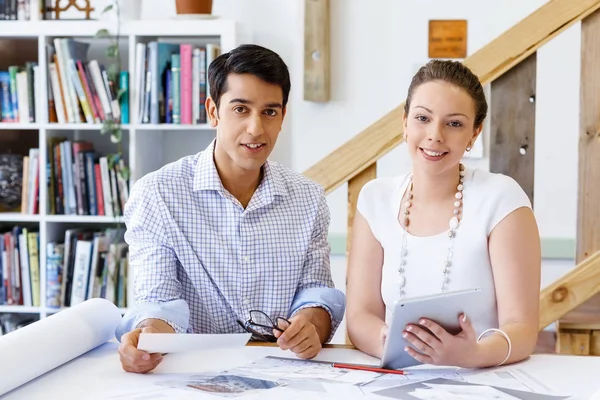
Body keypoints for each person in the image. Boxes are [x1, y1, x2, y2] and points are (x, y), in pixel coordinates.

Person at [116, 44, 345, 374]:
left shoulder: (308, 197)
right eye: (241, 109)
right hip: (192, 373)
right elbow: (158, 298)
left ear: (282, 117)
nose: (256, 129)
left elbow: (316, 289)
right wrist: (150, 337)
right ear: (213, 111)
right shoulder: (157, 195)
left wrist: (312, 322)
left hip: (283, 373)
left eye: (270, 112)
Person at [346, 59, 541, 369]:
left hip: (480, 381)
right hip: (397, 377)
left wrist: (474, 355)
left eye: (454, 123)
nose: (435, 135)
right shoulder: (375, 199)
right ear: (405, 123)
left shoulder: (502, 199)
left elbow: (522, 328)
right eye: (423, 118)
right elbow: (359, 317)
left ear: (474, 133)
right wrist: (398, 343)